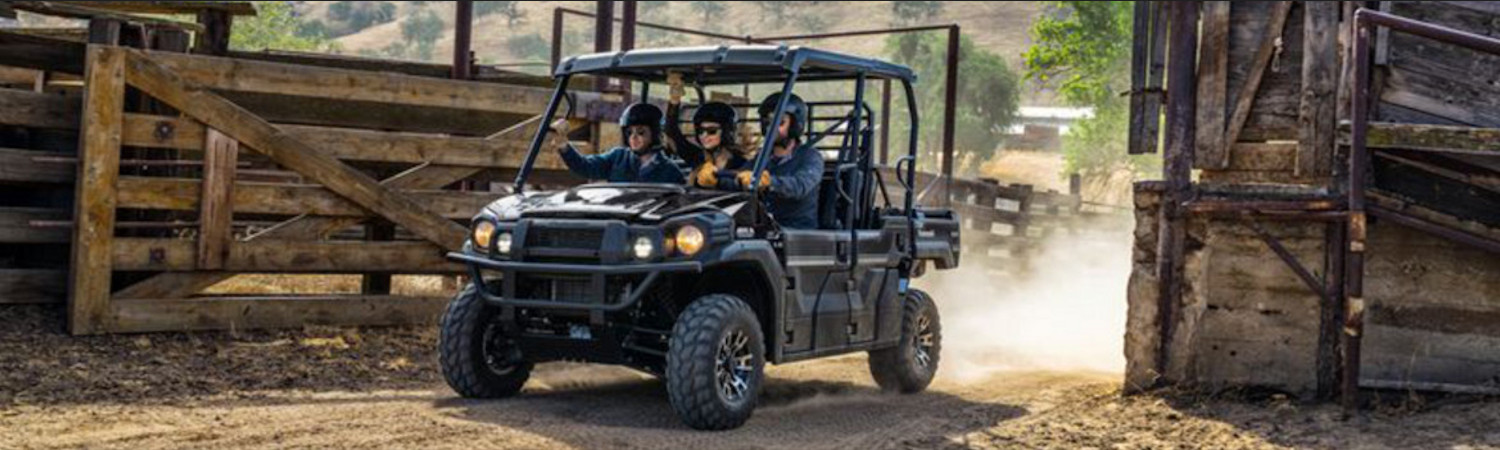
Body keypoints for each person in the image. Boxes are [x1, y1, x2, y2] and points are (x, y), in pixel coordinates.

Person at [720, 92, 823, 229]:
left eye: (780, 122)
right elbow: (742, 176)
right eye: (767, 122)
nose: (771, 128)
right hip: (765, 227)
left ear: (795, 125)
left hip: (797, 231)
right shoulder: (763, 157)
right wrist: (716, 178)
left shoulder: (810, 157)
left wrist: (768, 182)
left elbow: (800, 186)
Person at [553, 103, 686, 184]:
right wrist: (564, 146)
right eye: (629, 132)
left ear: (655, 135)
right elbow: (585, 166)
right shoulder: (618, 157)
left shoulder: (670, 171)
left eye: (641, 132)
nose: (633, 137)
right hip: (618, 217)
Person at [665, 74, 752, 188]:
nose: (704, 136)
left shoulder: (742, 163)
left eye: (712, 131)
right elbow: (672, 133)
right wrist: (674, 101)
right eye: (700, 131)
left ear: (727, 132)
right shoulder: (698, 156)